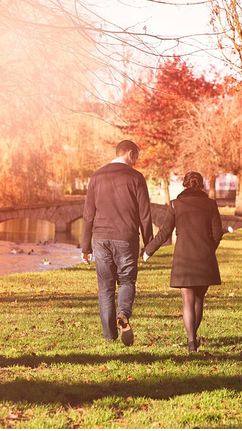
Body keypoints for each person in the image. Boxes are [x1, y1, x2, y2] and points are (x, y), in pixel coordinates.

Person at [81, 140, 153, 346]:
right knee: (127, 281)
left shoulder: (97, 176)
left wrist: (85, 247)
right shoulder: (136, 178)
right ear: (130, 154)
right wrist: (148, 243)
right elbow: (145, 215)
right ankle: (123, 313)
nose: (136, 161)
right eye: (136, 157)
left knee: (105, 287)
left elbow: (88, 214)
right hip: (126, 237)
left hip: (100, 238)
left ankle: (109, 336)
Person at [143, 172, 222, 353]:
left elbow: (164, 233)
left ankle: (191, 341)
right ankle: (193, 338)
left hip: (183, 259)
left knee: (187, 302)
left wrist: (148, 250)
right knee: (199, 300)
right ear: (201, 185)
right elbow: (217, 234)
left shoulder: (176, 205)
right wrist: (209, 250)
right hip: (205, 259)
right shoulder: (210, 204)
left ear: (185, 185)